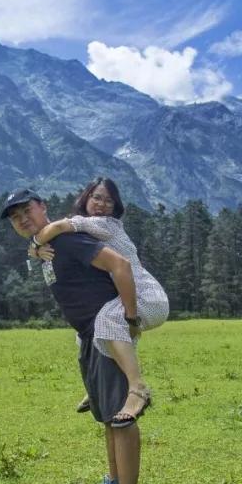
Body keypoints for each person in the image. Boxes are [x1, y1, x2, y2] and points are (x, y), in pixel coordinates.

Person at [0, 188, 144, 484]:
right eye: (15, 217)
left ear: (42, 207)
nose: (22, 219)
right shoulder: (46, 248)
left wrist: (130, 319)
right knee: (108, 416)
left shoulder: (67, 240)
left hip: (106, 332)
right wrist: (34, 250)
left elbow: (118, 265)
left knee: (122, 419)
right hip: (88, 336)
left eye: (26, 210)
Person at [28, 177, 168, 425]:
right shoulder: (88, 230)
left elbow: (58, 227)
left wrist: (35, 245)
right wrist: (38, 250)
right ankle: (97, 388)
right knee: (88, 333)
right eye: (97, 197)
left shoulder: (104, 224)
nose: (102, 204)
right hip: (129, 293)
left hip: (146, 296)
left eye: (109, 201)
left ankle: (137, 389)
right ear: (86, 198)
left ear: (115, 207)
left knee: (106, 320)